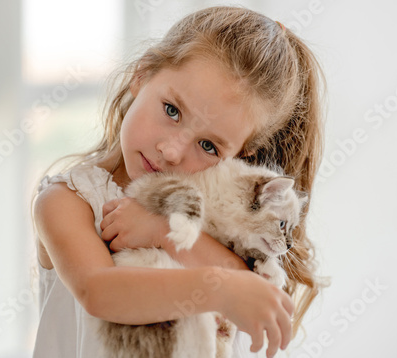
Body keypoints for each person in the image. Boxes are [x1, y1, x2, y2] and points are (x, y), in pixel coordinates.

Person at [31, 6, 325, 358]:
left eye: (208, 145)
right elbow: (99, 292)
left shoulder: (210, 225)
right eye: (172, 110)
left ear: (238, 158)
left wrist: (161, 232)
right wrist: (218, 287)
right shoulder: (67, 202)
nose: (171, 152)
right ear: (142, 74)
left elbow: (254, 287)